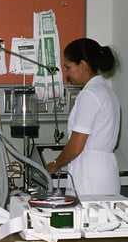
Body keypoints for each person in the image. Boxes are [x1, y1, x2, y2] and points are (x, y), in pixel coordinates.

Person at [45, 37, 121, 196]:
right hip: (105, 174)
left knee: (86, 219)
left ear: (83, 65)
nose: (67, 74)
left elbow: (76, 146)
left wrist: (55, 164)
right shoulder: (107, 92)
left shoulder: (90, 95)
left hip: (91, 177)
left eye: (68, 67)